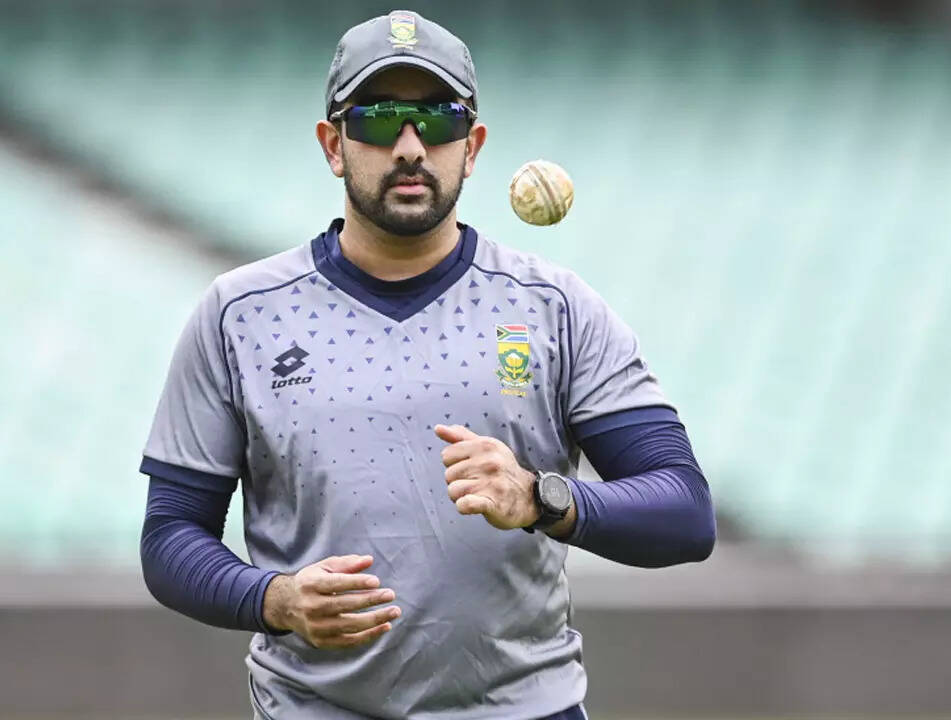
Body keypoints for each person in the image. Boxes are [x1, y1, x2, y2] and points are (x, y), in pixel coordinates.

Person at [139, 9, 715, 719]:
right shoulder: (239, 313)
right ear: (333, 145)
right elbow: (170, 539)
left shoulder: (555, 307)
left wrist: (544, 499)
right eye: (379, 119)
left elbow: (685, 511)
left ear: (472, 147)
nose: (410, 146)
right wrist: (274, 599)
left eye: (439, 119)